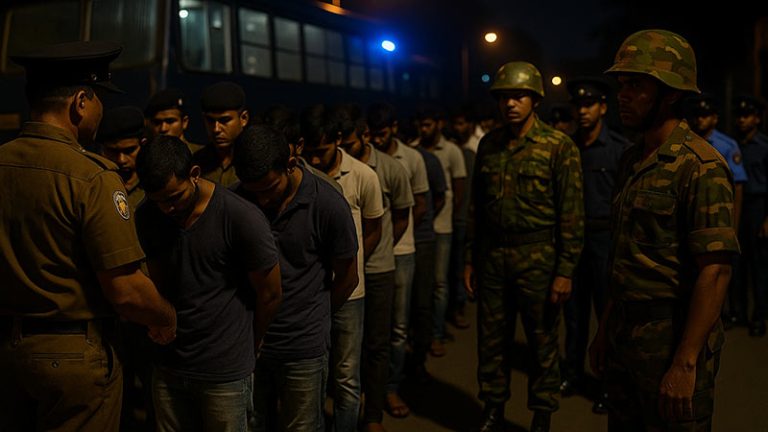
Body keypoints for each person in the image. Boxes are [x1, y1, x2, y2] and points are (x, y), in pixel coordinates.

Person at [0, 40, 176, 431]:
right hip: (73, 356)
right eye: (98, 98)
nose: (100, 109)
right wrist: (165, 317)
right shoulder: (92, 176)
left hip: (7, 351)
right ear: (80, 102)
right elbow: (127, 290)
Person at [589, 29, 739, 431]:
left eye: (635, 85)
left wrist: (685, 362)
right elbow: (623, 256)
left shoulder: (699, 165)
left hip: (672, 336)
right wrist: (605, 328)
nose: (622, 94)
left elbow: (716, 269)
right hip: (625, 333)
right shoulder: (632, 158)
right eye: (622, 84)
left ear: (671, 93)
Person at [464, 61, 584, 432]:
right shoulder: (489, 144)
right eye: (503, 97)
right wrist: (470, 258)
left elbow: (572, 214)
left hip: (539, 259)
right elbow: (476, 207)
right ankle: (493, 407)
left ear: (535, 100)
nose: (510, 104)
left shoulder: (558, 146)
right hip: (494, 257)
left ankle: (542, 413)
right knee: (492, 340)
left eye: (518, 96)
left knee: (542, 341)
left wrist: (565, 271)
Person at [135, 135, 282, 431]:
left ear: (194, 175)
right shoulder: (148, 215)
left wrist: (249, 344)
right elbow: (158, 281)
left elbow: (270, 293)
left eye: (174, 197)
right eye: (158, 200)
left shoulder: (240, 217)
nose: (167, 208)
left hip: (224, 369)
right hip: (169, 363)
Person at [233, 125, 359, 432]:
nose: (261, 201)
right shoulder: (239, 200)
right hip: (249, 343)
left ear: (290, 164)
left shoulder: (327, 204)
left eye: (269, 189)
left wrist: (314, 317)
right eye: (254, 192)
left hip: (304, 348)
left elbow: (347, 276)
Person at [302, 105, 384, 431]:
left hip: (351, 292)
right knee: (315, 375)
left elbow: (374, 228)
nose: (317, 159)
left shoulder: (364, 176)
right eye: (310, 152)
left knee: (347, 376)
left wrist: (351, 264)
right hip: (313, 292)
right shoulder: (303, 174)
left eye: (321, 151)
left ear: (338, 139)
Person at [337, 104, 414, 431]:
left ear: (365, 137)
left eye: (351, 144)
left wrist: (376, 250)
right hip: (345, 272)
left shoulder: (389, 169)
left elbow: (401, 217)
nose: (345, 151)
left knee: (379, 341)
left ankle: (375, 411)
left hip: (379, 268)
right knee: (346, 347)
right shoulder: (335, 167)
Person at [560, 76, 631, 413]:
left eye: (589, 104)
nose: (583, 111)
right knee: (573, 315)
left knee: (607, 315)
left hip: (605, 239)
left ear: (603, 107)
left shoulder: (618, 149)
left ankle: (607, 385)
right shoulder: (566, 147)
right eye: (578, 105)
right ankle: (572, 374)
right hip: (574, 240)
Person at [367, 102, 430, 419]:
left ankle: (391, 386)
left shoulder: (411, 158)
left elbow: (418, 206)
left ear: (392, 128)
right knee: (373, 328)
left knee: (398, 325)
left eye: (382, 133)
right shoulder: (363, 159)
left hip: (401, 252)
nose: (377, 140)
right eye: (372, 134)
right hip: (374, 255)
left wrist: (392, 236)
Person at [411, 106, 466, 358]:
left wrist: (452, 218)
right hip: (419, 229)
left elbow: (458, 189)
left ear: (438, 124)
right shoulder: (413, 150)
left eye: (428, 124)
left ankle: (436, 333)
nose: (424, 130)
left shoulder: (452, 151)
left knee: (439, 283)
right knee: (421, 285)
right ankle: (422, 333)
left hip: (441, 227)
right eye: (421, 125)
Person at [731, 95, 768, 336]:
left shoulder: (764, 147)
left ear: (757, 118)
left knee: (759, 266)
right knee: (738, 263)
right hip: (739, 207)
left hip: (759, 206)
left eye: (747, 116)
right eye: (739, 116)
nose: (742, 120)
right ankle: (739, 312)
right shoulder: (735, 146)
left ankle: (759, 317)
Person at [193, 81, 249, 187]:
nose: (216, 129)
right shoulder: (197, 162)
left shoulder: (253, 160)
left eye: (224, 120)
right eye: (210, 121)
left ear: (243, 118)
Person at [97, 105, 147, 210]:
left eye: (129, 150)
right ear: (101, 149)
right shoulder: (95, 188)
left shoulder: (153, 187)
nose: (121, 160)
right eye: (113, 151)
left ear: (143, 145)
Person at [145, 88, 205, 154]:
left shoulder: (200, 156)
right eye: (157, 122)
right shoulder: (146, 157)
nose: (163, 128)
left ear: (184, 122)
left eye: (170, 121)